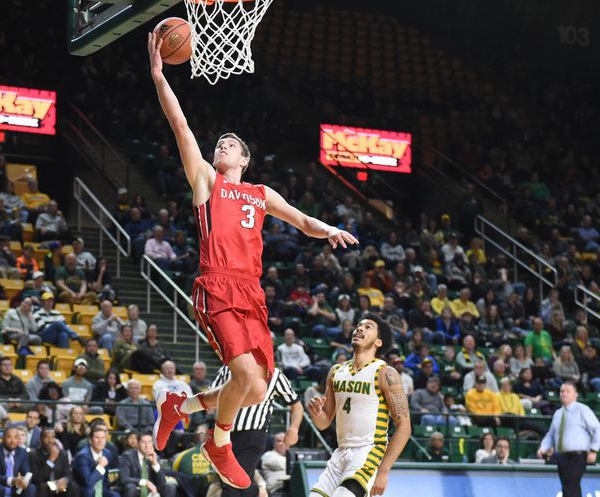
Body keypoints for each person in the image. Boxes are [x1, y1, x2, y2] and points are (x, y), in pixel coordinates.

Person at [148, 31, 358, 489]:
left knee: (257, 389)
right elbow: (181, 126)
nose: (221, 145)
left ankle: (178, 408)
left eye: (229, 144)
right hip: (216, 285)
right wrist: (160, 77)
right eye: (219, 143)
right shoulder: (205, 179)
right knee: (243, 374)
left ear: (245, 158)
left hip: (251, 291)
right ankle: (217, 442)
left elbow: (302, 220)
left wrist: (329, 230)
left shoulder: (260, 194)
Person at [307, 315, 410, 497]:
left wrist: (384, 471)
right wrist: (316, 413)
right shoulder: (336, 371)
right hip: (340, 454)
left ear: (378, 342)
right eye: (358, 326)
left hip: (368, 451)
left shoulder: (385, 373)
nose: (360, 329)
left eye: (368, 327)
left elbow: (404, 427)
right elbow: (324, 423)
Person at [210, 365, 302, 497]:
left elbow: (297, 405)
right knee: (237, 483)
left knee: (233, 483)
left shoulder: (275, 375)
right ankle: (256, 492)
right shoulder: (227, 368)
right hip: (224, 435)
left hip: (253, 435)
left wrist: (293, 428)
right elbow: (211, 396)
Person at [538, 382, 600, 497]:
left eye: (568, 391)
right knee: (568, 485)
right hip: (562, 456)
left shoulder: (583, 410)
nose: (564, 394)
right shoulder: (558, 413)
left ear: (575, 394)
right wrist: (543, 448)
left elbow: (597, 429)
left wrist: (593, 450)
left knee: (571, 482)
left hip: (577, 455)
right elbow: (551, 435)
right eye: (562, 391)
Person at [0, 426, 36, 497]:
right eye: (9, 437)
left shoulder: (22, 452)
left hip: (14, 488)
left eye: (16, 437)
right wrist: (11, 480)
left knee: (31, 488)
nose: (13, 441)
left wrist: (24, 481)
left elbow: (27, 472)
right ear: (3, 438)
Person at [119, 432, 175, 497]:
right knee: (130, 488)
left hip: (152, 491)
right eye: (143, 442)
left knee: (170, 488)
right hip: (136, 488)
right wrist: (146, 482)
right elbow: (124, 478)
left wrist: (155, 464)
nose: (147, 445)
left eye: (149, 442)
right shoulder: (127, 456)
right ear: (137, 443)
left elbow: (162, 482)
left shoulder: (155, 457)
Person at [29, 428, 80, 497]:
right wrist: (51, 459)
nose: (50, 440)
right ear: (40, 439)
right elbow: (37, 479)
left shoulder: (62, 453)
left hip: (60, 484)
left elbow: (68, 474)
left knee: (74, 487)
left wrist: (64, 480)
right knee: (42, 487)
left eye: (52, 437)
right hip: (45, 486)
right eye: (46, 437)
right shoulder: (33, 454)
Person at [72, 426, 117, 497]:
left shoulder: (107, 453)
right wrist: (100, 466)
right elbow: (88, 482)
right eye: (97, 438)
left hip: (102, 489)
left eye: (103, 438)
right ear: (90, 440)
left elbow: (105, 477)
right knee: (90, 491)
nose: (100, 441)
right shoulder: (82, 456)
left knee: (115, 495)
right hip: (85, 489)